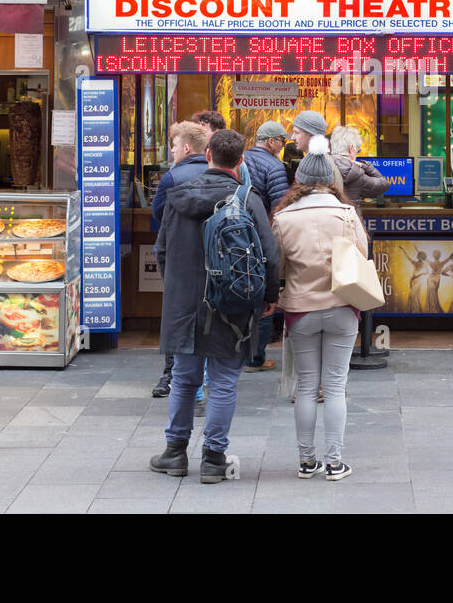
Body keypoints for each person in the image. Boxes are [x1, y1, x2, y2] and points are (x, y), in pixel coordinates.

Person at [150, 129, 280, 482]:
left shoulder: (178, 198)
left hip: (184, 305)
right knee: (222, 383)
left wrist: (176, 288)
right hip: (232, 304)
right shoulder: (248, 199)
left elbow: (161, 251)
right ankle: (213, 458)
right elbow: (269, 256)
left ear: (207, 154)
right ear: (241, 161)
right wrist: (269, 297)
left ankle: (174, 453)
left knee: (183, 378)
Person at [271, 135, 368, 481]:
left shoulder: (283, 218)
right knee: (336, 385)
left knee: (308, 387)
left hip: (301, 310)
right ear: (330, 179)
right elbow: (362, 256)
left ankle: (306, 461)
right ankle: (334, 461)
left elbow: (278, 268)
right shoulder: (346, 213)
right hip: (343, 306)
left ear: (299, 179)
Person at [149, 122, 211, 398]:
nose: (172, 151)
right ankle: (205, 376)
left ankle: (175, 377)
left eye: (174, 146)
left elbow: (159, 215)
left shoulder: (171, 179)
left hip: (179, 258)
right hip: (212, 259)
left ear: (186, 147)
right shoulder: (219, 174)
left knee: (178, 318)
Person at [242, 121, 292, 372]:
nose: (283, 147)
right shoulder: (274, 166)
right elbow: (279, 208)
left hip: (236, 237)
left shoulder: (240, 159)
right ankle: (255, 357)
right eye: (282, 142)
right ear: (271, 142)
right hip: (260, 237)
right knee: (263, 298)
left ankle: (237, 352)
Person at [328, 126, 390, 216]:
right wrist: (366, 166)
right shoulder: (356, 174)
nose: (357, 153)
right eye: (357, 149)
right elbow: (383, 184)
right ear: (351, 148)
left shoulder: (322, 166)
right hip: (350, 224)